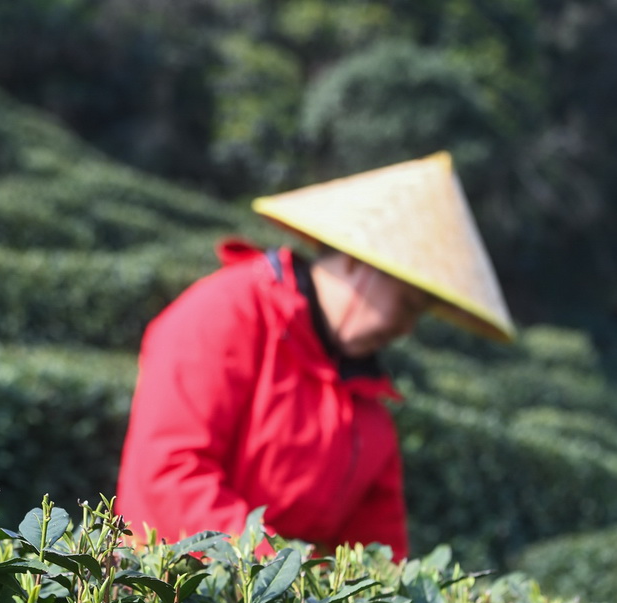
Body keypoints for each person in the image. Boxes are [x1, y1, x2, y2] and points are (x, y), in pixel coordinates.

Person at [114, 151, 514, 560]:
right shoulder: (224, 313)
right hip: (170, 599)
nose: (406, 328)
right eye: (408, 304)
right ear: (363, 263)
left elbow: (377, 550)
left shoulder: (368, 409)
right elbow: (169, 472)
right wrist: (281, 574)